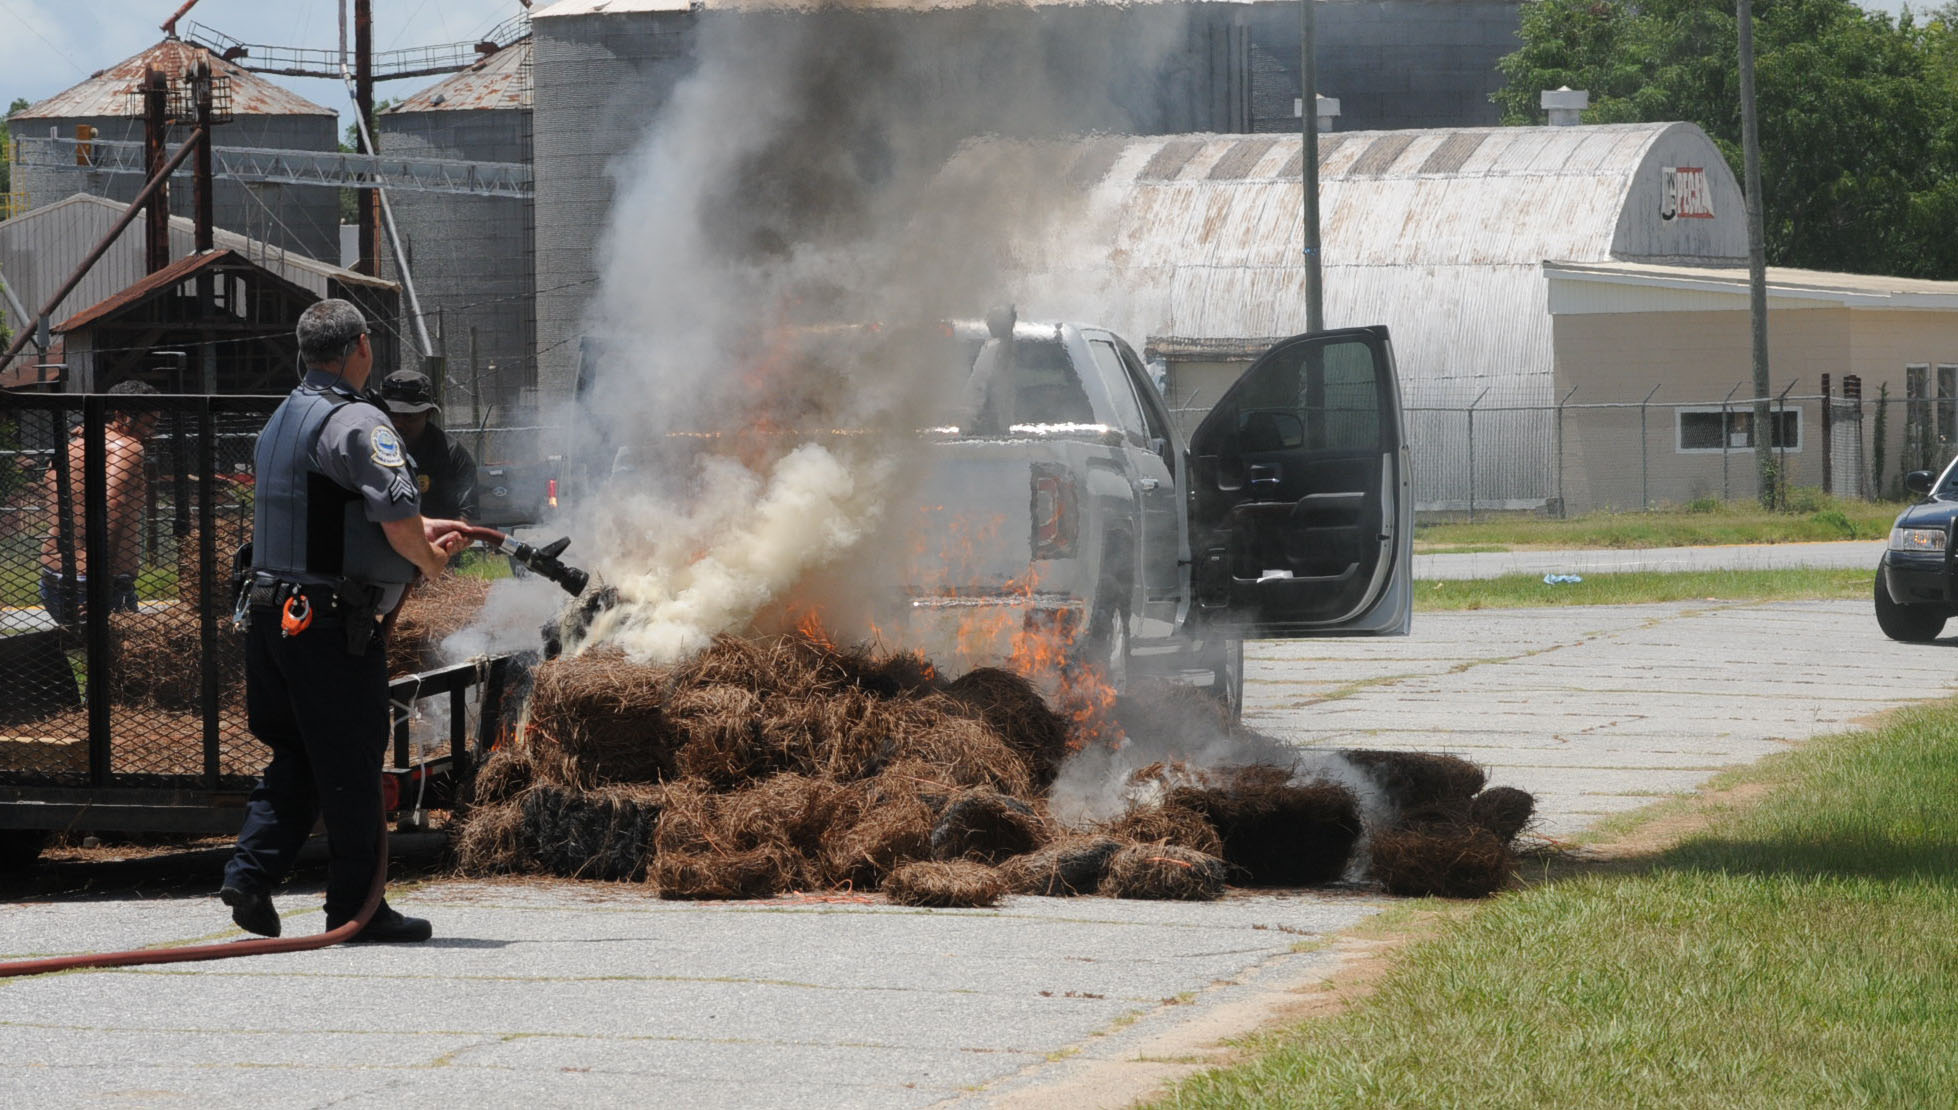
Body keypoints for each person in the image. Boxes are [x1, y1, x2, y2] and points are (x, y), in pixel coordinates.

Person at [219, 299, 468, 944]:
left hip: (272, 618)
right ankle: (357, 909)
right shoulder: (359, 419)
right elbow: (393, 515)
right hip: (328, 627)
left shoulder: (284, 415)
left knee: (298, 751)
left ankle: (249, 875)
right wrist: (429, 559)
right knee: (355, 763)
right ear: (362, 345)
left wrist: (415, 531)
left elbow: (330, 511)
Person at [38, 380, 160, 629]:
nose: (151, 433)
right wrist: (100, 580)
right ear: (121, 415)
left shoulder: (74, 446)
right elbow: (112, 503)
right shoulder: (128, 448)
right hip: (96, 581)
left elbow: (52, 485)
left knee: (93, 658)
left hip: (53, 577)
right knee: (125, 665)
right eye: (147, 424)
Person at [378, 369, 479, 525]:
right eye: (392, 414)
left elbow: (467, 514)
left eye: (408, 416)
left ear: (428, 413)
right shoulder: (368, 447)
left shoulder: (451, 454)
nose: (398, 423)